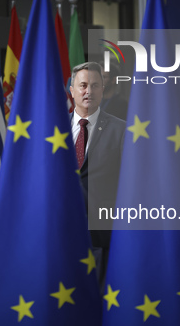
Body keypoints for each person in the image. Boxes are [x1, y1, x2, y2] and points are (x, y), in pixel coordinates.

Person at [69, 62, 125, 286]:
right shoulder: (53, 131)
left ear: (103, 90)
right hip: (63, 230)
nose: (88, 91)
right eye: (82, 85)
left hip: (103, 235)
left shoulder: (122, 131)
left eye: (95, 85)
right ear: (71, 90)